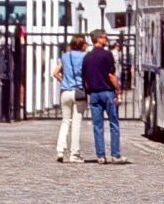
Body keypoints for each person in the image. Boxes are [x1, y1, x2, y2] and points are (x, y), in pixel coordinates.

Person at [81, 29, 125, 164]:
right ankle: (115, 155)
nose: (106, 40)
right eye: (104, 37)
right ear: (98, 39)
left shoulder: (87, 57)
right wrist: (118, 89)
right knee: (114, 124)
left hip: (94, 94)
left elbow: (85, 78)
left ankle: (100, 156)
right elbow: (111, 75)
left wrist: (89, 90)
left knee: (97, 126)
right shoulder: (107, 55)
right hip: (107, 92)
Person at [52, 35, 88, 162]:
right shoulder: (84, 57)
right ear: (82, 45)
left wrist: (64, 81)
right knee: (76, 123)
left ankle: (60, 150)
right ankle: (74, 153)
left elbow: (55, 73)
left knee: (65, 121)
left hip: (65, 91)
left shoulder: (65, 56)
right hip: (78, 92)